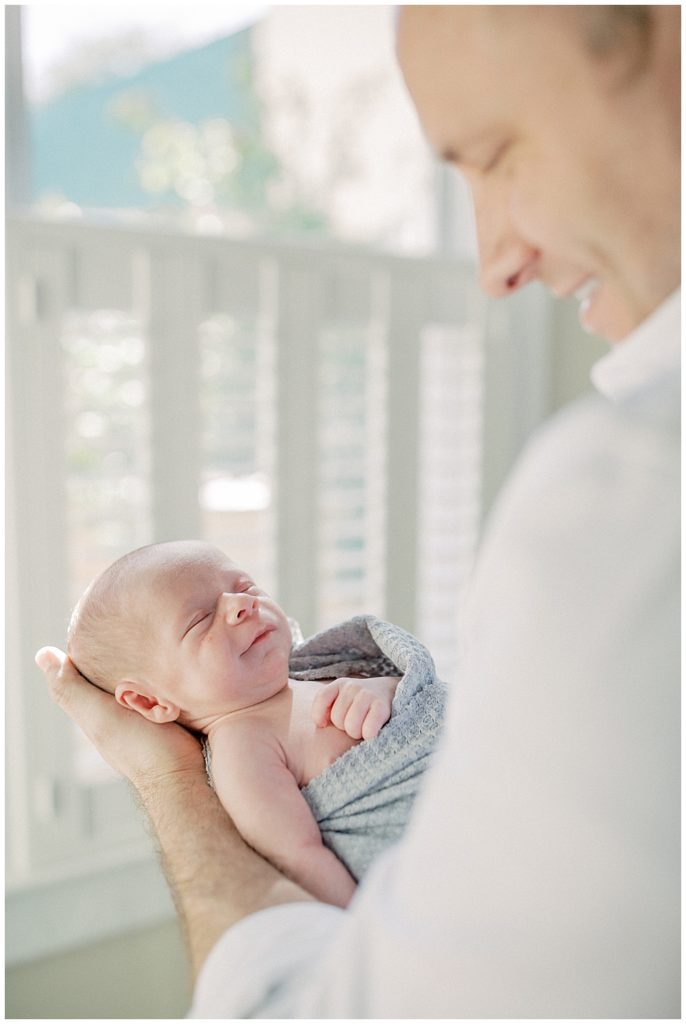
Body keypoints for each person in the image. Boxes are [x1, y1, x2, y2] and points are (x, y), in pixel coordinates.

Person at [36, 5, 680, 1017]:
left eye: (497, 153)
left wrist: (172, 777)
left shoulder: (625, 492)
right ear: (153, 699)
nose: (493, 265)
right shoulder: (244, 753)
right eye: (203, 618)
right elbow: (299, 847)